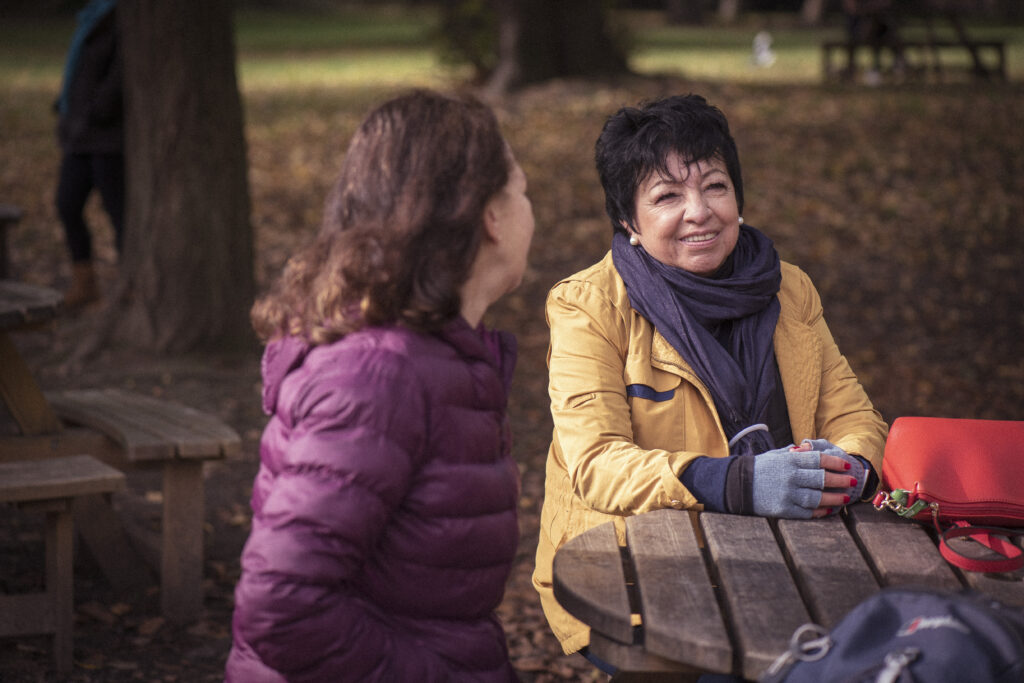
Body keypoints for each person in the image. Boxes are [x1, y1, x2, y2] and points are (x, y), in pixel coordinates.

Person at [532, 94, 888, 673]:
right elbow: (596, 463)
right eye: (667, 196)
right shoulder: (589, 306)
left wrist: (848, 467)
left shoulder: (788, 288)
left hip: (789, 547)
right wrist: (739, 481)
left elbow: (855, 418)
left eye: (715, 186)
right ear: (629, 220)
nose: (699, 211)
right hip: (632, 565)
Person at [226, 89, 535, 682]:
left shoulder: (437, 360)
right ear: (489, 217)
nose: (530, 208)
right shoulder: (379, 376)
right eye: (520, 190)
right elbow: (281, 605)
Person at [54, 0, 124, 308]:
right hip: (80, 136)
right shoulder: (90, 18)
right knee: (67, 203)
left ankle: (128, 289)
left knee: (119, 214)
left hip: (107, 138)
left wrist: (95, 111)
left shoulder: (120, 18)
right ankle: (85, 283)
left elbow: (118, 78)